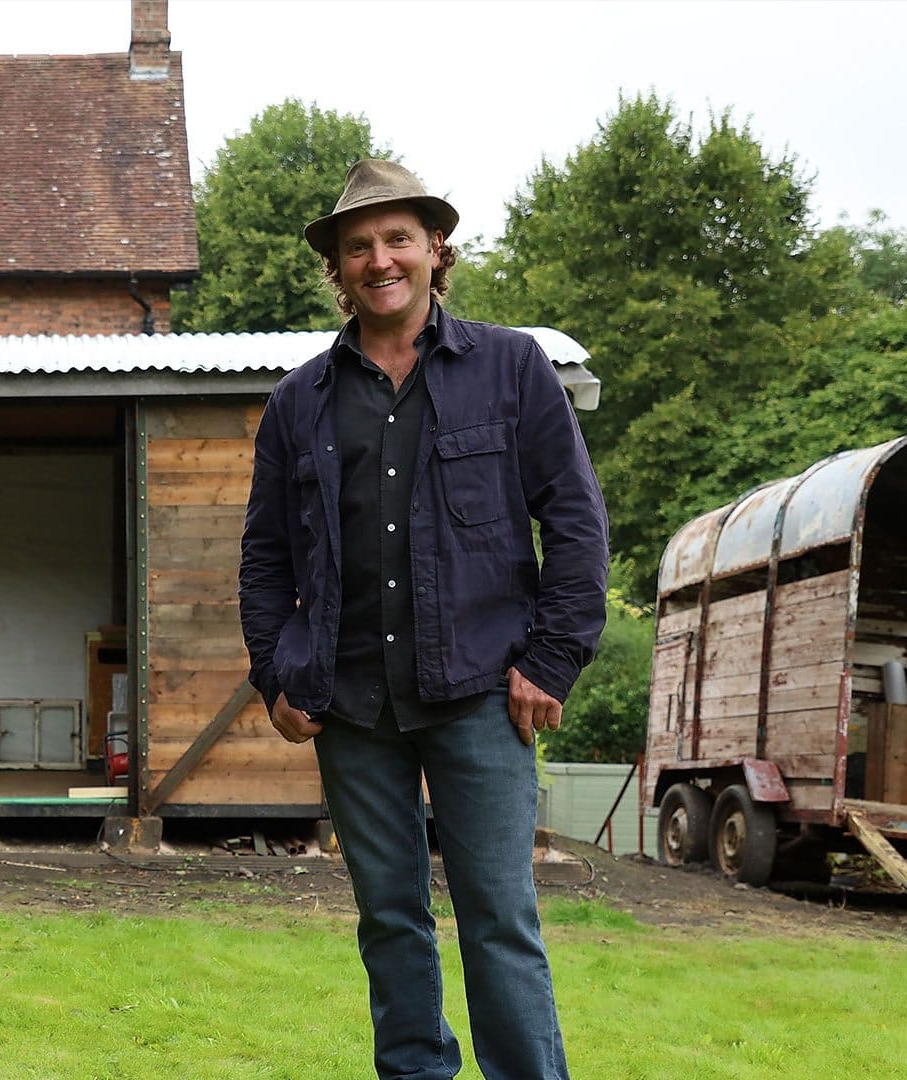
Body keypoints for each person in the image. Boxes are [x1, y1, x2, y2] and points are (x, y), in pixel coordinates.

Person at [238, 159, 609, 1080]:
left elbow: (575, 520)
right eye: (358, 246)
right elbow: (266, 556)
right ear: (338, 266)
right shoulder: (299, 403)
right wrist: (278, 673)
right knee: (390, 920)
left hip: (482, 694)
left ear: (436, 249)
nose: (379, 259)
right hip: (352, 705)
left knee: (500, 918)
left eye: (397, 239)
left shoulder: (512, 368)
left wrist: (551, 660)